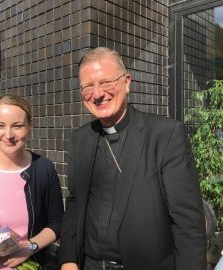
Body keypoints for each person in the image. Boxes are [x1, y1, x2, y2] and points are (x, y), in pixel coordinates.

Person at [58, 47, 207, 270]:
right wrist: (68, 259)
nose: (97, 94)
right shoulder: (81, 139)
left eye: (106, 82)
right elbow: (75, 202)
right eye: (88, 87)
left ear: (127, 82)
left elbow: (188, 224)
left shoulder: (164, 135)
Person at [0, 94, 64, 270]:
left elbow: (57, 223)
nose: (9, 135)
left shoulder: (43, 169)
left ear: (29, 126)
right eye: (0, 126)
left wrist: (30, 247)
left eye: (17, 126)